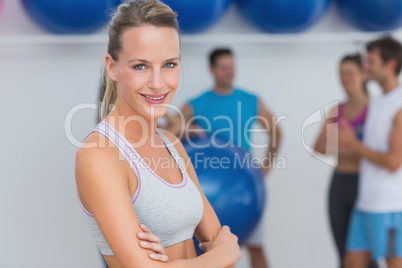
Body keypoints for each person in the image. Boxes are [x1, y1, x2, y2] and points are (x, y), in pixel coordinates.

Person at [75, 1, 241, 268]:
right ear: (112, 67)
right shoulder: (99, 154)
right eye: (140, 66)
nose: (157, 82)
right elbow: (227, 252)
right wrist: (222, 254)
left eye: (169, 64)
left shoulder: (171, 144)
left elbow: (221, 243)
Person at [163, 48, 282, 268]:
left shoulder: (250, 100)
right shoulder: (198, 103)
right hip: (207, 191)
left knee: (256, 247)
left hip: (244, 188)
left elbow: (276, 131)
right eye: (224, 68)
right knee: (209, 250)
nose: (229, 72)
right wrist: (188, 128)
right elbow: (167, 131)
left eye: (232, 67)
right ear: (212, 70)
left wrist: (265, 167)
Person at [338, 37, 402, 268]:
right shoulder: (375, 103)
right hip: (365, 205)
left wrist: (353, 144)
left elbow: (394, 161)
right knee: (351, 263)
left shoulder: (399, 105)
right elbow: (367, 149)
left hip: (391, 208)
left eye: (371, 61)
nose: (365, 66)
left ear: (391, 64)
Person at [314, 54, 378, 268]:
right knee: (343, 255)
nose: (345, 78)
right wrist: (350, 146)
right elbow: (318, 147)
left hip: (364, 185)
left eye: (349, 73)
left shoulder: (375, 110)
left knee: (367, 256)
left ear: (363, 75)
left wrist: (341, 145)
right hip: (339, 186)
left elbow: (378, 153)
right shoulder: (337, 110)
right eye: (341, 74)